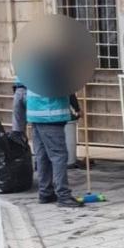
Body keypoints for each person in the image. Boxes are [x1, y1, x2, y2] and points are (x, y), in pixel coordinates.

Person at [20, 58, 83, 208]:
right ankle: (63, 195)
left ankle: (45, 192)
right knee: (59, 156)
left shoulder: (30, 65)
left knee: (42, 157)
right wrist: (77, 108)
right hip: (50, 115)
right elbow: (66, 89)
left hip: (35, 115)